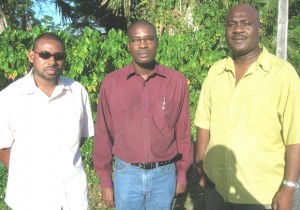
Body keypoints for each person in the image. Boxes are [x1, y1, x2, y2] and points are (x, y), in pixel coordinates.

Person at [194, 3, 300, 210]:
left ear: (259, 30)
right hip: (217, 189)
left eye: (246, 24)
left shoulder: (282, 74)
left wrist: (288, 187)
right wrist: (201, 166)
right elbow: (203, 123)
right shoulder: (216, 72)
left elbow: (295, 136)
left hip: (262, 194)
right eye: (231, 24)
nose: (238, 29)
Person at [93, 20, 193, 210]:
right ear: (128, 44)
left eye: (149, 39)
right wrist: (106, 181)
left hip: (164, 174)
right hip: (127, 174)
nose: (143, 45)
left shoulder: (176, 81)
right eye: (136, 40)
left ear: (157, 41)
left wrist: (182, 174)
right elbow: (103, 135)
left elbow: (183, 132)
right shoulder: (111, 83)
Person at [0, 32, 94, 210]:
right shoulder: (9, 97)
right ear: (31, 56)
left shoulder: (77, 92)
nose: (52, 61)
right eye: (44, 55)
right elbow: (3, 148)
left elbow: (80, 139)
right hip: (29, 199)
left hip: (72, 197)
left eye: (58, 56)